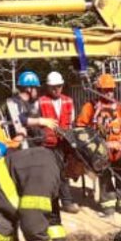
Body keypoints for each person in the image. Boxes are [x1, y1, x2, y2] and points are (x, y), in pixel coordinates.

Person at [76, 73, 121, 216]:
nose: (109, 92)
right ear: (99, 90)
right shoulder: (91, 106)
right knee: (105, 176)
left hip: (119, 148)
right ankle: (108, 206)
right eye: (105, 89)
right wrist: (95, 144)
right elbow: (80, 126)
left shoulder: (120, 107)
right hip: (100, 149)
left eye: (111, 89)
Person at [38, 71, 79, 213]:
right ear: (48, 87)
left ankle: (65, 201)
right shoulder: (41, 102)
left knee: (64, 171)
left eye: (59, 86)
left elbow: (71, 121)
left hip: (64, 142)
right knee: (53, 173)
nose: (56, 90)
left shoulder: (68, 101)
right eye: (53, 87)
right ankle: (63, 202)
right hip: (47, 144)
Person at [5, 71, 59, 145]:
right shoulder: (14, 102)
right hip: (23, 147)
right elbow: (18, 119)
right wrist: (39, 121)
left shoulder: (30, 104)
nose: (38, 91)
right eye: (36, 88)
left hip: (36, 143)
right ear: (29, 89)